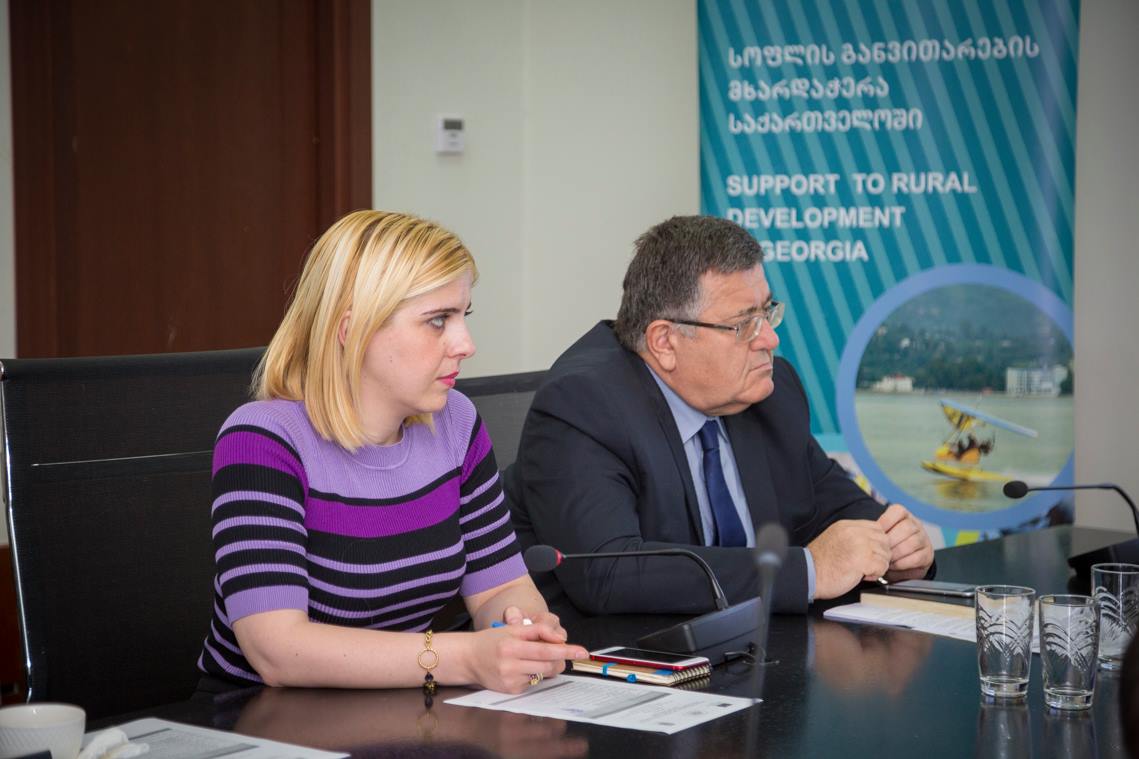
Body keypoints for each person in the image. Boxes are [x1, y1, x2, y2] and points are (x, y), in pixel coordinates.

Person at [198, 210, 587, 694]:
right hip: (260, 717)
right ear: (352, 330)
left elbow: (501, 586)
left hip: (402, 707)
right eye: (437, 321)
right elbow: (277, 650)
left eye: (463, 316)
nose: (466, 344)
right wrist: (466, 657)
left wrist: (522, 631)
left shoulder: (457, 423)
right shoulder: (263, 439)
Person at [505, 215, 934, 616]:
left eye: (767, 312)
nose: (770, 339)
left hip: (756, 650)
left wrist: (897, 544)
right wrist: (809, 570)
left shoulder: (770, 392)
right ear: (665, 343)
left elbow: (833, 506)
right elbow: (609, 572)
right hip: (620, 656)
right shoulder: (584, 405)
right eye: (743, 324)